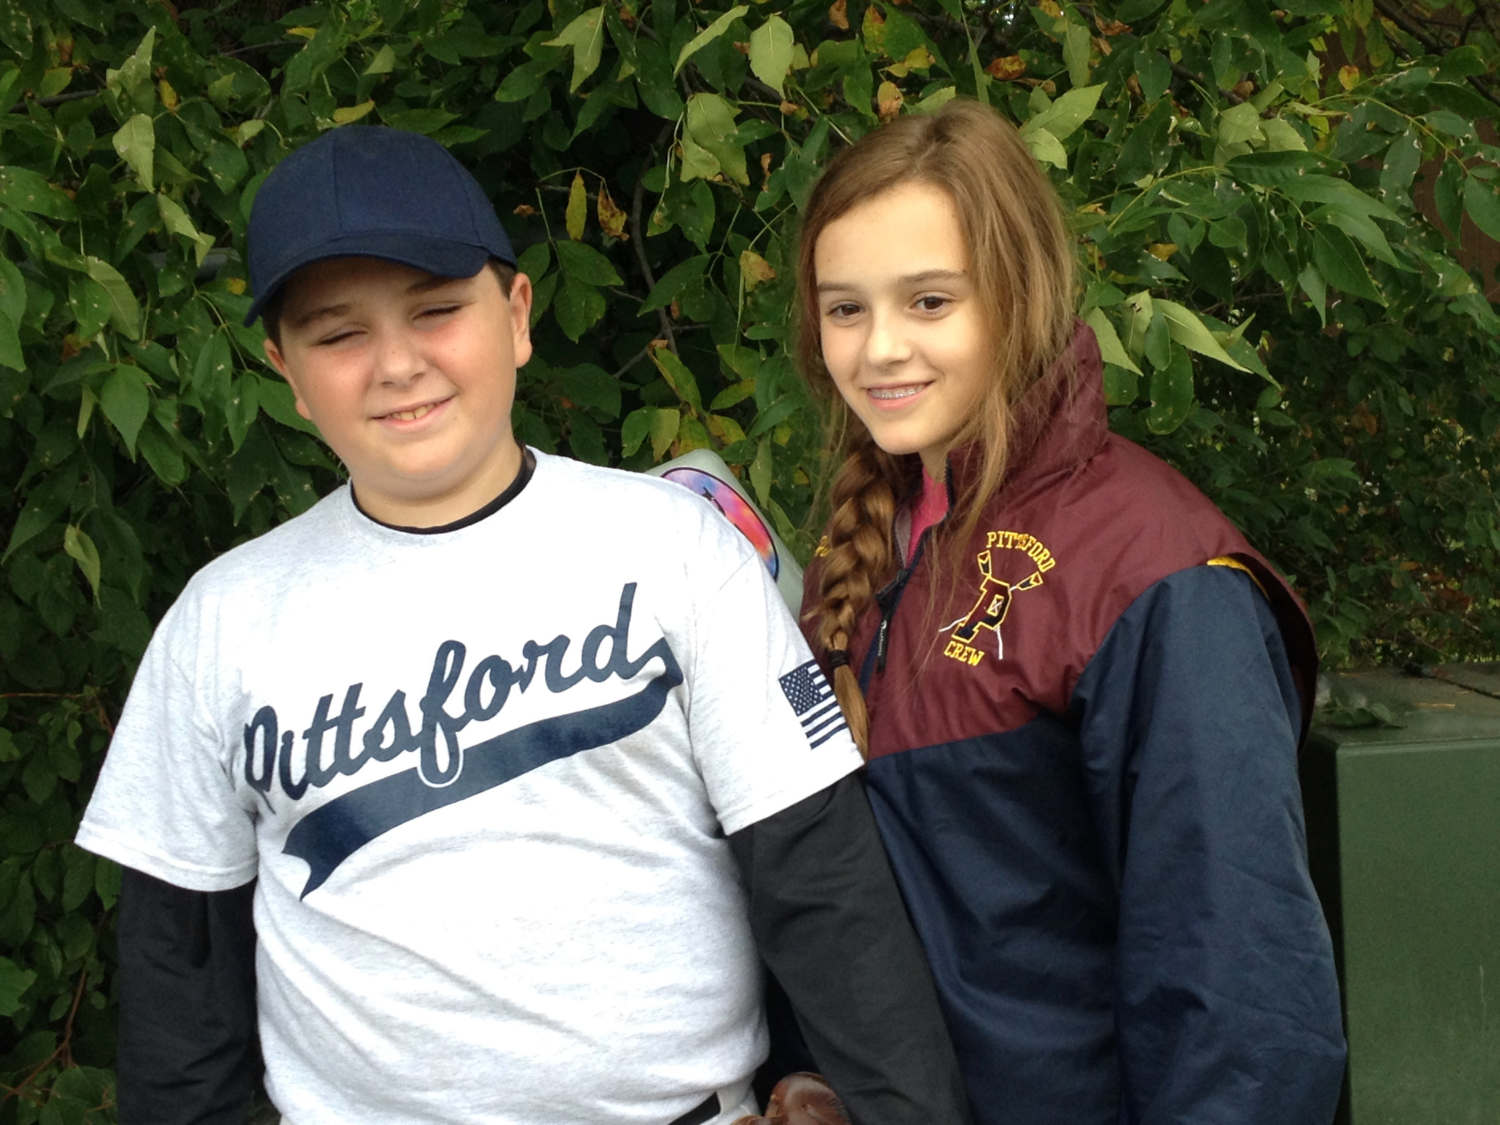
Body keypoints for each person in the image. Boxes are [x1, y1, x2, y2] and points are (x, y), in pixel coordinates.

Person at [76, 125, 972, 1125]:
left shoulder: (674, 549)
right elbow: (177, 992)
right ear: (285, 370)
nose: (397, 364)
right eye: (338, 335)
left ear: (516, 316)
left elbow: (825, 889)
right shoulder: (221, 621)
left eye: (436, 311)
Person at [793, 98, 1347, 1124]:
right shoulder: (858, 555)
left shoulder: (1155, 576)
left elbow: (1240, 1000)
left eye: (929, 301)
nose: (879, 349)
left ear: (1022, 292)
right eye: (845, 309)